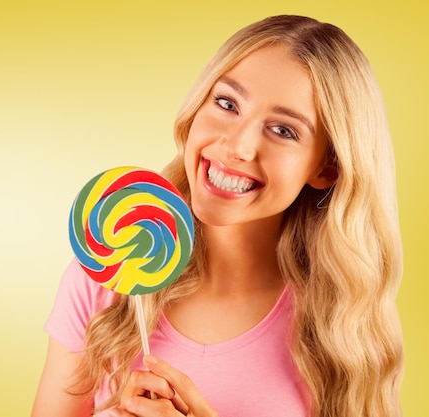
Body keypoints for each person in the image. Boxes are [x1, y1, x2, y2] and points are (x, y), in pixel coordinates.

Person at [31, 14, 404, 417]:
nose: (237, 146)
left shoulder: (345, 324)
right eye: (227, 103)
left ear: (326, 166)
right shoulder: (106, 277)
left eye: (283, 130)